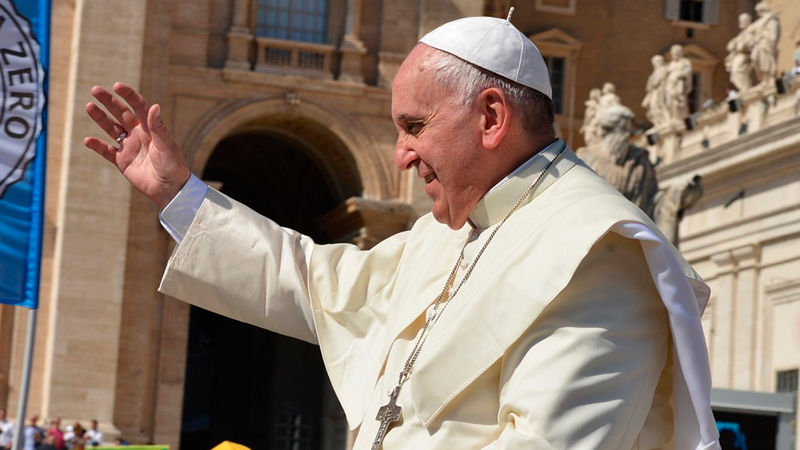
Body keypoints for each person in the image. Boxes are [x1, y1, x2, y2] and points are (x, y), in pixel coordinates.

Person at [84, 15, 720, 450]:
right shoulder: (448, 234)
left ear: (492, 117)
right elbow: (312, 284)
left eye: (414, 126)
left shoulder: (598, 252)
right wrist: (179, 195)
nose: (400, 157)